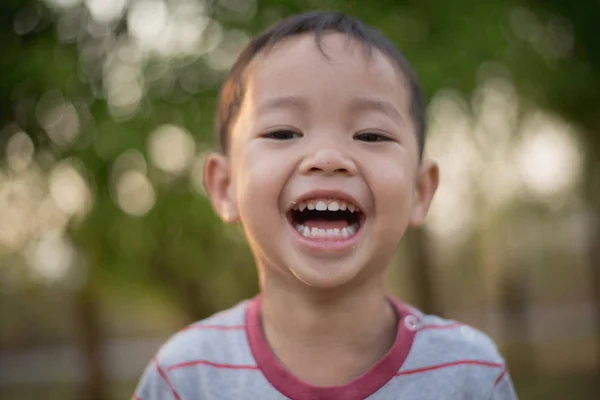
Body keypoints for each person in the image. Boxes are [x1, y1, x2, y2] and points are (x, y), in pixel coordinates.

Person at [133, 11, 518, 400]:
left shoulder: (470, 374)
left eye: (371, 134)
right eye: (283, 132)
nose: (328, 156)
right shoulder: (185, 377)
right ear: (225, 186)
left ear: (420, 191)